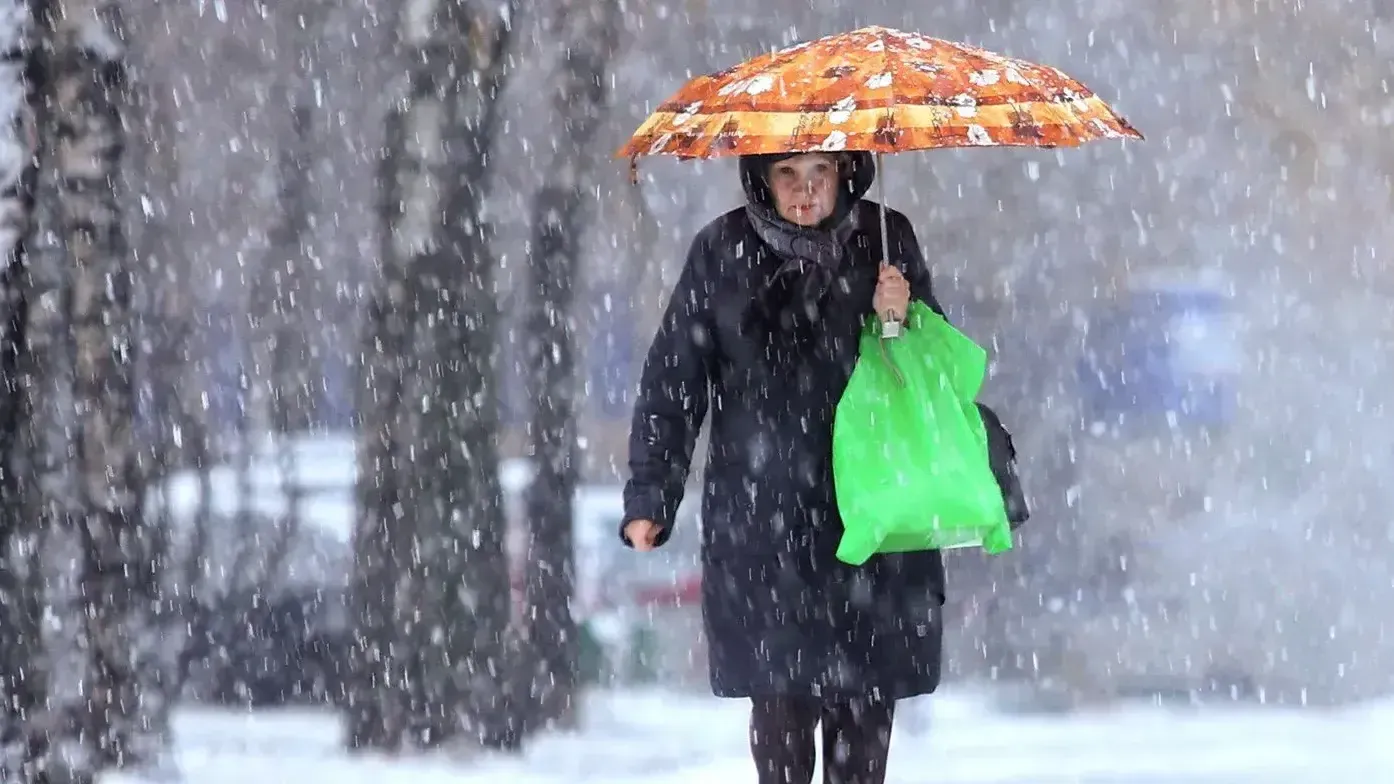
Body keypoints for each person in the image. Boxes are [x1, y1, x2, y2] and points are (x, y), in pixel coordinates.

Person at [619, 149, 948, 784]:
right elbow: (673, 382)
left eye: (819, 174)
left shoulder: (886, 240)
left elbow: (938, 378)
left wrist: (901, 319)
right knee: (780, 721)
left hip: (871, 517)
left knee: (864, 723)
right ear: (761, 180)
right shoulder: (721, 252)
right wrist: (650, 497)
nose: (804, 192)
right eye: (787, 175)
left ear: (846, 175)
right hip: (764, 525)